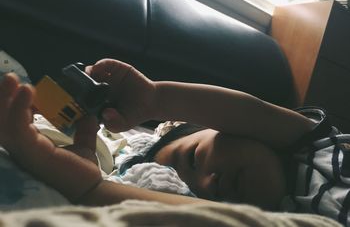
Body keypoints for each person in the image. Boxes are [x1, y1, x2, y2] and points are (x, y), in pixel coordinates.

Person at [0, 59, 336, 213]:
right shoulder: (295, 218)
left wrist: (157, 99)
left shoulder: (311, 145)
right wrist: (89, 185)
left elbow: (253, 113)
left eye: (193, 157)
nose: (207, 184)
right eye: (193, 195)